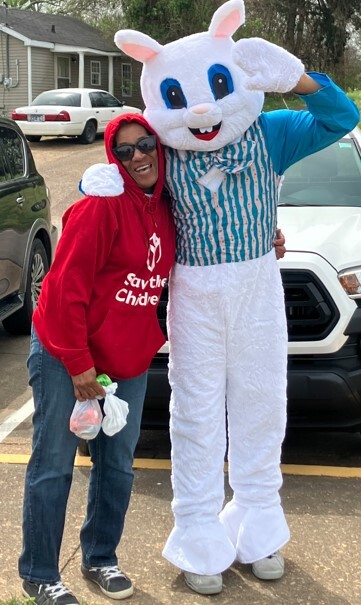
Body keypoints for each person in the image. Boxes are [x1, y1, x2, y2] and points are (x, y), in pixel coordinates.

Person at [114, 0, 360, 596]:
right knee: (195, 417)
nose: (202, 109)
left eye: (217, 87)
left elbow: (340, 117)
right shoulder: (162, 152)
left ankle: (259, 527)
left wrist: (294, 80)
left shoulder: (268, 132)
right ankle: (197, 529)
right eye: (179, 98)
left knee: (261, 407)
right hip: (193, 292)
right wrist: (101, 188)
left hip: (255, 290)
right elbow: (126, 181)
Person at [18, 113, 176, 604]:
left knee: (117, 465)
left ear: (159, 145)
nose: (137, 156)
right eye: (124, 150)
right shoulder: (100, 208)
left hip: (125, 358)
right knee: (54, 463)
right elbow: (64, 292)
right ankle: (40, 571)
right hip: (68, 351)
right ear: (113, 158)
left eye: (144, 143)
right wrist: (79, 366)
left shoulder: (168, 207)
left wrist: (268, 242)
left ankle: (101, 557)